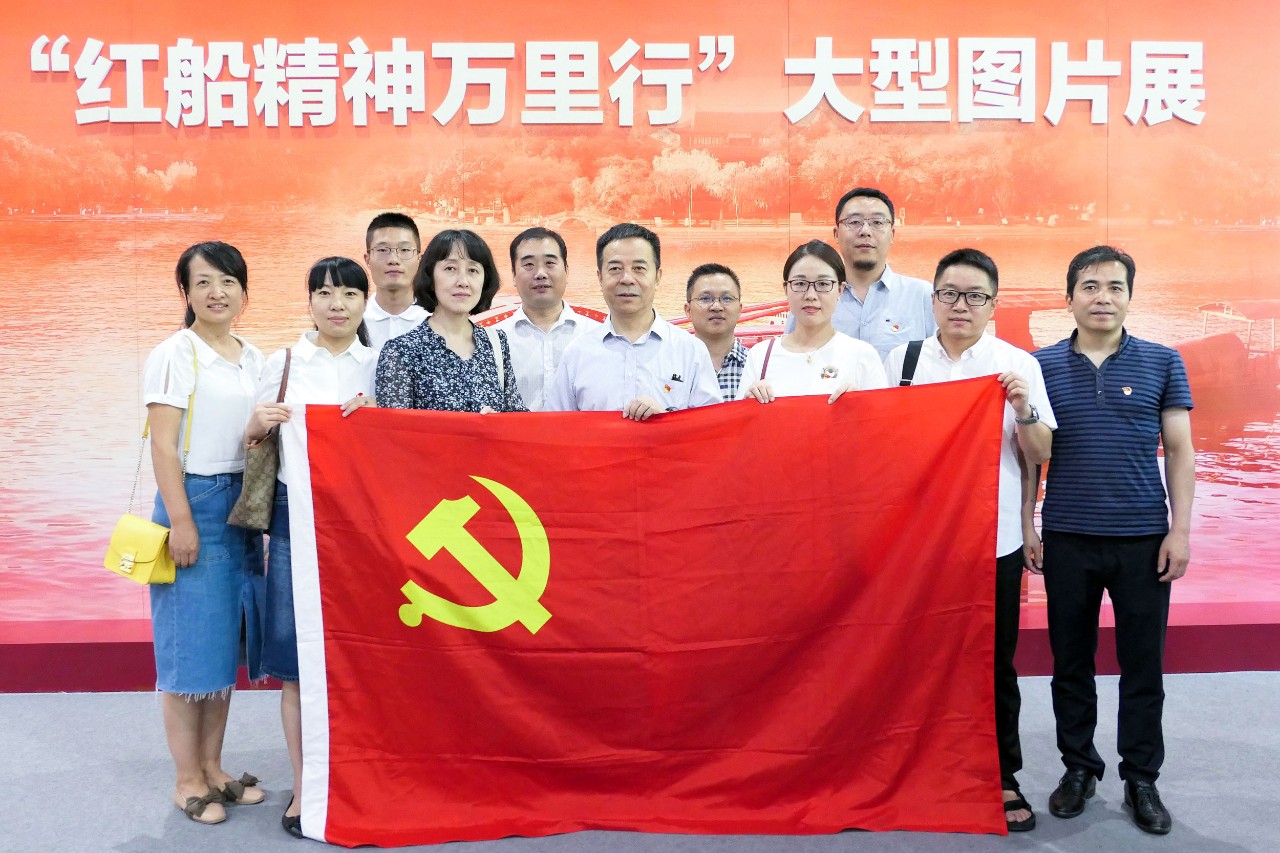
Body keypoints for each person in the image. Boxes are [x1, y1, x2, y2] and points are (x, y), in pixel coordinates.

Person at [883, 248, 1055, 832]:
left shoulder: (1016, 364)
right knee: (915, 655)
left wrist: (1023, 409)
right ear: (933, 300)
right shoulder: (903, 362)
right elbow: (878, 444)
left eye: (975, 296)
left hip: (993, 538)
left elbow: (1042, 454)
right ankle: (913, 765)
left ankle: (1002, 774)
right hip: (918, 541)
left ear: (992, 304)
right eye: (951, 294)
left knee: (993, 661)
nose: (962, 305)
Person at [1030, 246, 1195, 835]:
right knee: (1070, 662)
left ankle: (1141, 777)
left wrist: (1180, 530)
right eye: (1091, 286)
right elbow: (1029, 458)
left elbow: (1180, 449)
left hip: (1142, 540)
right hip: (1068, 538)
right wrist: (1027, 525)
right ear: (1069, 296)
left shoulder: (1163, 361)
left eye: (1115, 287)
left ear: (1130, 296)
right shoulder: (1040, 365)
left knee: (1142, 664)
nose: (1103, 297)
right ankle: (1079, 768)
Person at [244, 257, 378, 838]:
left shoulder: (379, 364)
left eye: (348, 293)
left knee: (363, 657)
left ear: (365, 302)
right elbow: (249, 441)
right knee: (298, 663)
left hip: (363, 527)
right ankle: (304, 787)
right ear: (309, 301)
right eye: (324, 293)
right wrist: (258, 424)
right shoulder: (283, 364)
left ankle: (361, 776)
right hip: (295, 518)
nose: (336, 304)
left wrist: (376, 420)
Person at [141, 242, 267, 825]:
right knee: (187, 649)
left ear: (243, 291)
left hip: (244, 504)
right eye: (204, 282)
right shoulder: (175, 353)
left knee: (221, 647)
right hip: (194, 500)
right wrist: (182, 521)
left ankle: (214, 768)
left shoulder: (253, 357)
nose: (217, 292)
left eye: (228, 281)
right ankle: (187, 780)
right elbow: (163, 446)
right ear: (186, 293)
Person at [546, 223, 721, 418]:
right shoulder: (577, 353)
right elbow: (556, 427)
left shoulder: (690, 351)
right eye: (615, 269)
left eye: (639, 268)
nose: (627, 279)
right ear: (600, 278)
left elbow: (711, 427)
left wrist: (666, 420)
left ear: (657, 277)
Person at [376, 229, 526, 412]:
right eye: (450, 269)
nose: (463, 281)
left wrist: (497, 423)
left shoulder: (496, 342)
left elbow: (516, 416)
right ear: (430, 276)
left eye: (473, 270)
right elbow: (393, 427)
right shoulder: (400, 351)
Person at [786, 187, 935, 358]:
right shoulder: (811, 298)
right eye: (854, 222)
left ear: (892, 234)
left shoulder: (923, 296)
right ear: (836, 234)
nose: (865, 231)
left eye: (877, 222)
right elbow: (791, 358)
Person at [739, 240, 887, 403]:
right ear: (786, 289)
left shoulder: (862, 355)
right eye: (800, 284)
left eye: (823, 284)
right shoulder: (760, 355)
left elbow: (883, 418)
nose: (810, 295)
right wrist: (748, 404)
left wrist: (864, 406)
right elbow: (739, 419)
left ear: (840, 289)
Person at [492, 227, 602, 410]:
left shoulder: (598, 335)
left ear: (566, 271)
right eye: (529, 265)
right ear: (513, 275)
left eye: (550, 263)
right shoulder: (492, 340)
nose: (540, 274)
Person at [363, 212, 426, 349]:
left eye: (404, 249)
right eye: (382, 250)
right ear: (367, 260)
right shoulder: (353, 320)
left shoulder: (435, 320)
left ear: (419, 259)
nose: (393, 260)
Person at [685, 263, 747, 401]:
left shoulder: (757, 365)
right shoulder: (671, 364)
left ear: (739, 310)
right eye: (705, 299)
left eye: (727, 299)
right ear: (688, 310)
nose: (717, 307)